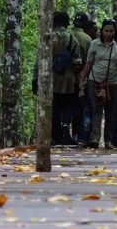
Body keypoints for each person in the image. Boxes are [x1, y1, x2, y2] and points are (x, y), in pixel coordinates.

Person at [78, 19, 117, 149]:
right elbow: (89, 62)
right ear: (102, 31)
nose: (108, 33)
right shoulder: (94, 44)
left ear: (115, 32)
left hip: (114, 82)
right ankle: (95, 138)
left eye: (111, 31)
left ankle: (108, 140)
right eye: (106, 31)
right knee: (96, 109)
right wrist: (82, 77)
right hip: (95, 81)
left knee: (111, 110)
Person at [32, 11, 82, 145]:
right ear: (66, 23)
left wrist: (35, 79)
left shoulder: (47, 38)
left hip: (50, 79)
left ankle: (56, 137)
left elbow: (39, 60)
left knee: (53, 108)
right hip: (68, 80)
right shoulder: (72, 39)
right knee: (67, 106)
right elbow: (78, 61)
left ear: (54, 22)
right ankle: (65, 126)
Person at [69, 12, 93, 145]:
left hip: (63, 78)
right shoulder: (87, 39)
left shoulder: (67, 34)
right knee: (79, 107)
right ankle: (77, 135)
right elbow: (90, 60)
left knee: (65, 107)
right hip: (80, 78)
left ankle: (63, 135)